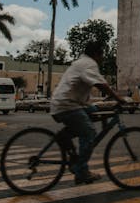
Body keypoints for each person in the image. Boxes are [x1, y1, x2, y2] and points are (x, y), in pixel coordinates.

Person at [51, 40, 124, 185]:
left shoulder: (82, 62)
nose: (103, 58)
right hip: (68, 105)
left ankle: (65, 137)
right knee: (89, 132)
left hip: (69, 103)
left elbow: (98, 82)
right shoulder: (89, 64)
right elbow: (100, 84)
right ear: (96, 54)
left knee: (95, 110)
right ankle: (82, 171)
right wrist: (118, 97)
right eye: (102, 55)